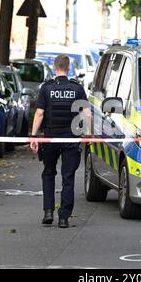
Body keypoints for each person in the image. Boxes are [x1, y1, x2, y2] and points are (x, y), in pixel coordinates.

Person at [30, 54, 90, 228]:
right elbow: (87, 114)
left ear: (55, 68)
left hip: (50, 138)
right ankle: (63, 217)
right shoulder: (77, 88)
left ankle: (48, 211)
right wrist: (87, 135)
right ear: (69, 68)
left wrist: (33, 137)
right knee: (68, 177)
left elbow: (40, 114)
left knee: (48, 173)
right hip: (71, 139)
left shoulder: (46, 88)